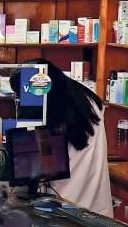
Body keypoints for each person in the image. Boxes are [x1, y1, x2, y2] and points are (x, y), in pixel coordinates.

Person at [16, 58, 113, 215]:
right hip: (96, 206)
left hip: (64, 205)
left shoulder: (55, 111)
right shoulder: (85, 97)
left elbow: (38, 165)